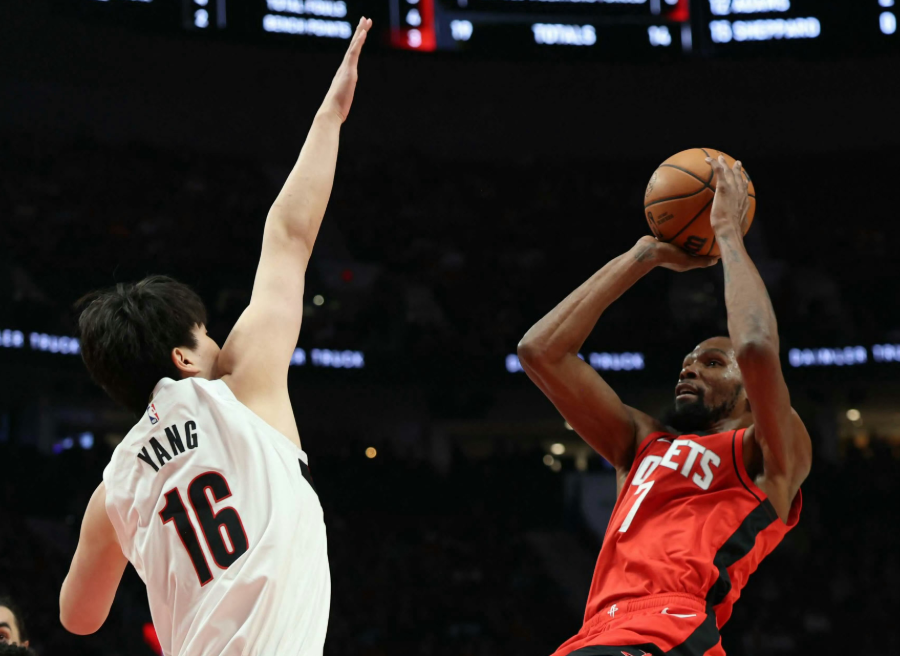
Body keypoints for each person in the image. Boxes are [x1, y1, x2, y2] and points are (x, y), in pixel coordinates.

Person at [58, 17, 373, 656]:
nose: (221, 342)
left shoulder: (114, 487)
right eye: (206, 334)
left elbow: (78, 618)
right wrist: (331, 117)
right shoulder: (240, 388)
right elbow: (288, 236)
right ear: (183, 358)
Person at [517, 156, 811, 656]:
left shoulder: (769, 455)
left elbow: (756, 348)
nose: (689, 369)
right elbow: (540, 351)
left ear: (749, 390)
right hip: (594, 633)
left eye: (712, 362)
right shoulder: (641, 443)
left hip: (669, 631)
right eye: (687, 363)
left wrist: (727, 233)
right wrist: (642, 256)